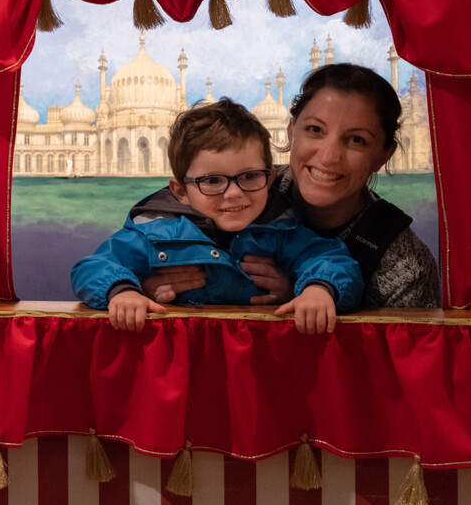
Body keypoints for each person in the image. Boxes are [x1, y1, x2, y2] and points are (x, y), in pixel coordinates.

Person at [143, 63, 442, 309]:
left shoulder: (404, 267)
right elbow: (146, 232)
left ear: (384, 155)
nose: (329, 157)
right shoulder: (248, 186)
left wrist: (299, 293)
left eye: (357, 140)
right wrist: (142, 282)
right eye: (315, 129)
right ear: (291, 131)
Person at [71, 98, 363, 334]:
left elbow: (333, 259)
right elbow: (92, 267)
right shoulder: (157, 232)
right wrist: (122, 291)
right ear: (180, 191)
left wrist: (319, 289)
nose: (234, 193)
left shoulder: (280, 229)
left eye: (249, 176)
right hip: (183, 356)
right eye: (212, 181)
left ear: (270, 178)